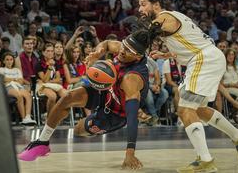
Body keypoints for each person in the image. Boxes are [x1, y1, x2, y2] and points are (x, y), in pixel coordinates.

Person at [138, 0, 238, 173]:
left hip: (203, 58)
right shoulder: (173, 19)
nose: (140, 10)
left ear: (156, 4)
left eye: (143, 5)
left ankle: (206, 161)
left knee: (185, 109)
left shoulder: (164, 16)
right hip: (207, 57)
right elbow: (183, 47)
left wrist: (134, 41)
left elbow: (150, 31)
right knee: (197, 109)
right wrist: (164, 54)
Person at [18, 28, 161, 170]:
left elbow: (131, 118)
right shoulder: (124, 48)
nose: (123, 51)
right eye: (124, 46)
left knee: (78, 130)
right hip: (105, 92)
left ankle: (126, 116)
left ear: (138, 57)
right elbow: (106, 43)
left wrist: (130, 152)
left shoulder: (132, 79)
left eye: (129, 51)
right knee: (68, 97)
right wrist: (97, 53)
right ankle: (42, 142)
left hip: (115, 114)